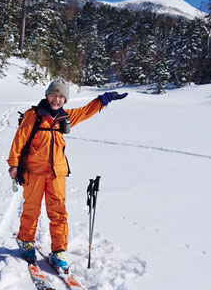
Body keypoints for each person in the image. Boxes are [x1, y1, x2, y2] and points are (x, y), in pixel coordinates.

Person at [8, 78, 127, 271]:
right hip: (34, 172)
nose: (57, 99)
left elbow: (85, 111)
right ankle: (27, 241)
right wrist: (13, 163)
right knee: (31, 209)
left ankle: (58, 251)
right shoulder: (33, 115)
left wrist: (104, 99)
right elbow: (19, 139)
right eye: (54, 94)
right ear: (47, 95)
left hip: (57, 174)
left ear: (65, 100)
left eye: (61, 96)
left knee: (58, 213)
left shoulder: (65, 117)